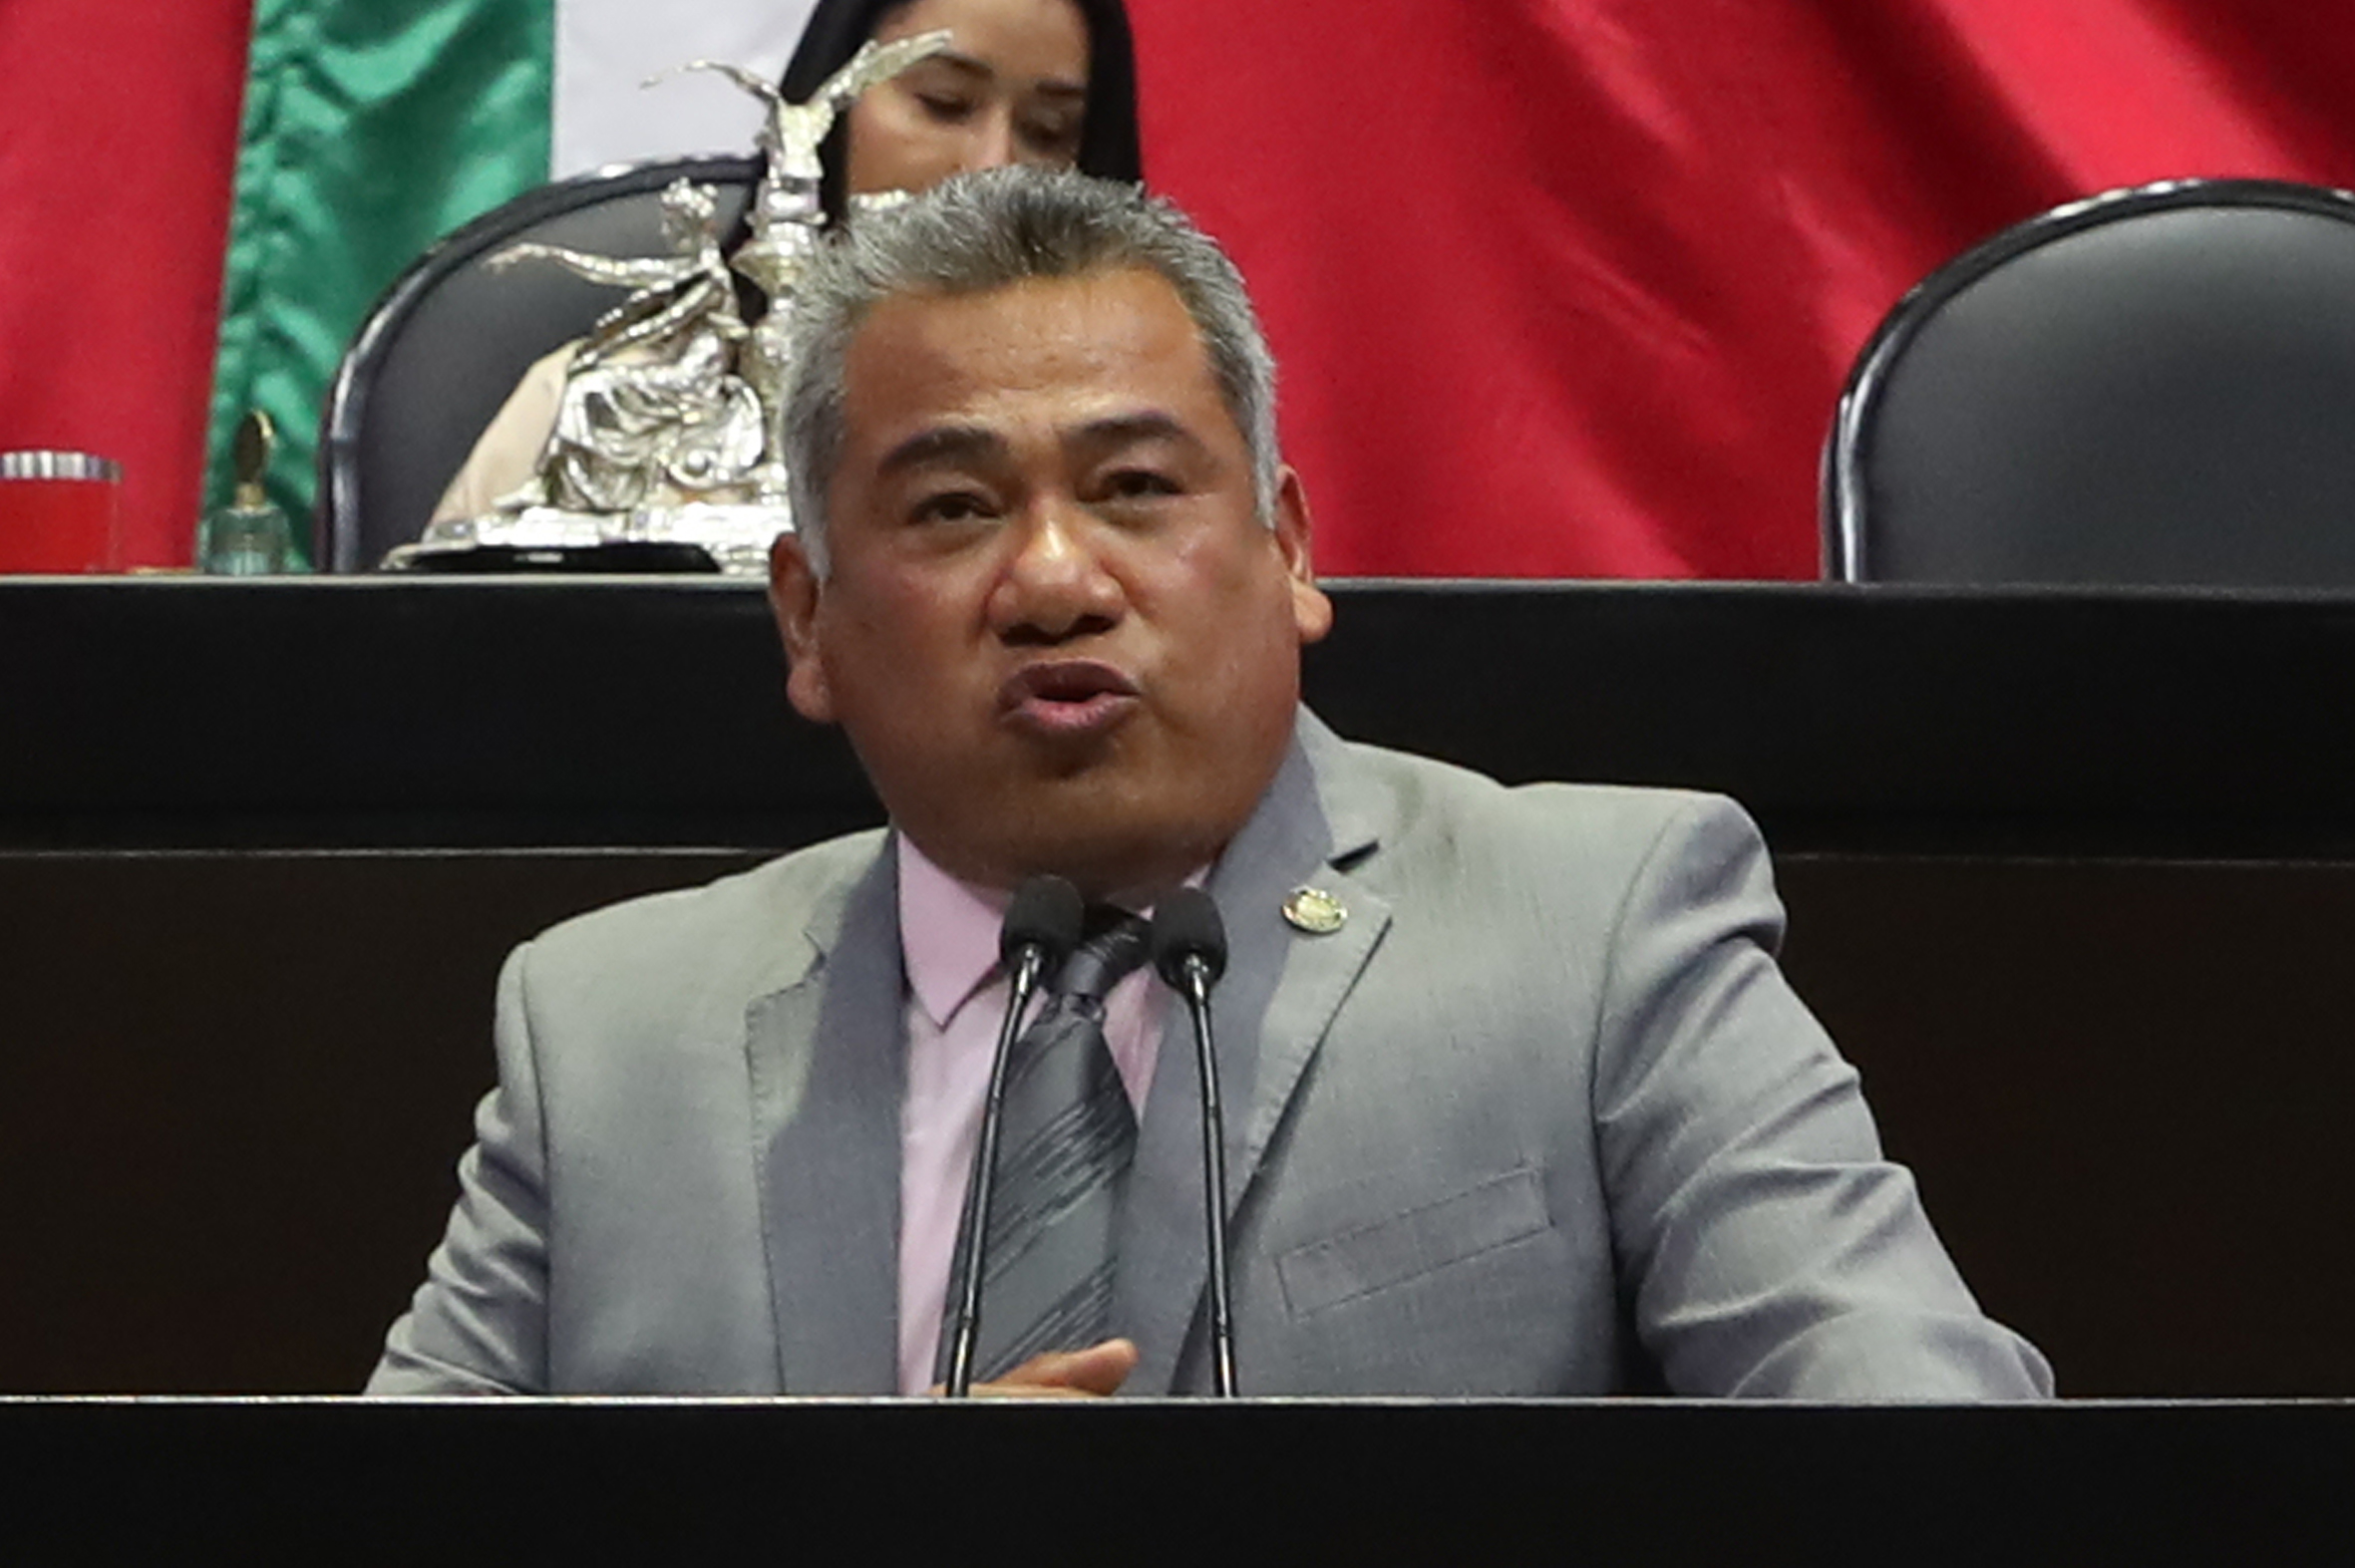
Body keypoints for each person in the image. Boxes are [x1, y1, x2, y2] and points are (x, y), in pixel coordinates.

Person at [369, 166, 2052, 1400]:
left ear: (1287, 549)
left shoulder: (1599, 935)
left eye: (1133, 488)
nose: (1053, 580)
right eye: (952, 509)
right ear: (807, 618)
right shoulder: (607, 1034)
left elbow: (1919, 1448)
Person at [430, 0, 1143, 523]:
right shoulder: (601, 408)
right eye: (945, 104)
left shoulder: (1137, 435)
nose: (992, 167)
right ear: (829, 113)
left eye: (1050, 131)